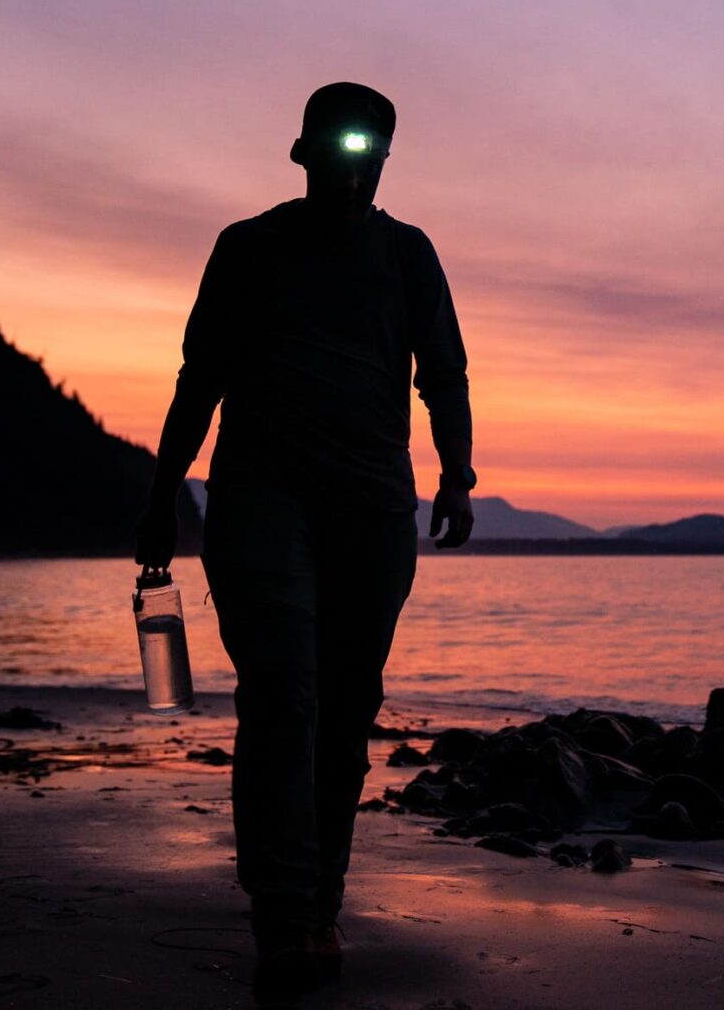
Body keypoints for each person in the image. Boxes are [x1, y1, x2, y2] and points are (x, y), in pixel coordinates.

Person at [135, 82, 475, 1002]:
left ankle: (319, 899)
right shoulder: (251, 247)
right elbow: (198, 376)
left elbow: (443, 371)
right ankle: (283, 913)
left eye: (375, 145)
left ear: (386, 158)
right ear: (306, 149)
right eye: (343, 140)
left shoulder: (407, 255)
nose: (357, 158)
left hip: (372, 507)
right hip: (260, 500)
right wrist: (163, 497)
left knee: (345, 706)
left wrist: (459, 473)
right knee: (284, 695)